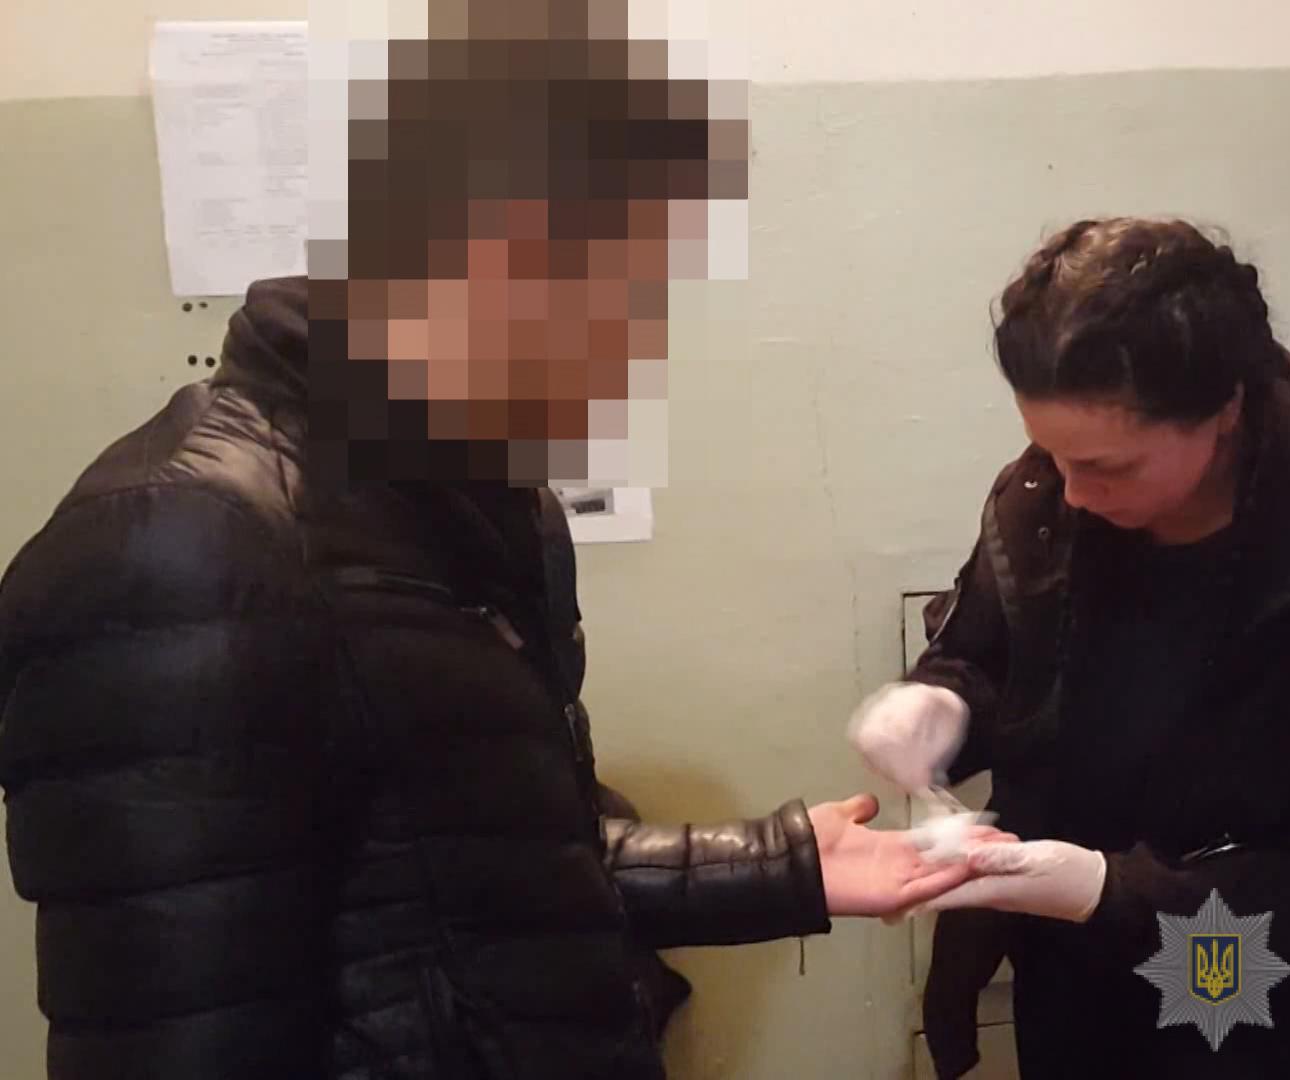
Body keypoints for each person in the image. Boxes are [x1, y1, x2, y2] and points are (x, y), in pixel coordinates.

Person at [0, 3, 1000, 1074]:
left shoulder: (475, 506)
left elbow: (486, 866)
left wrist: (783, 865)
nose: (627, 349)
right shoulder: (184, 550)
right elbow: (174, 1038)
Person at [853, 218, 1290, 1077]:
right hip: (1084, 998)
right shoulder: (1045, 502)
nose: (1072, 494)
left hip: (1284, 1020)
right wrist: (942, 702)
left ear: (1223, 411)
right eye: (1049, 451)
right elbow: (988, 657)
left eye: (1110, 467)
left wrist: (1110, 893)